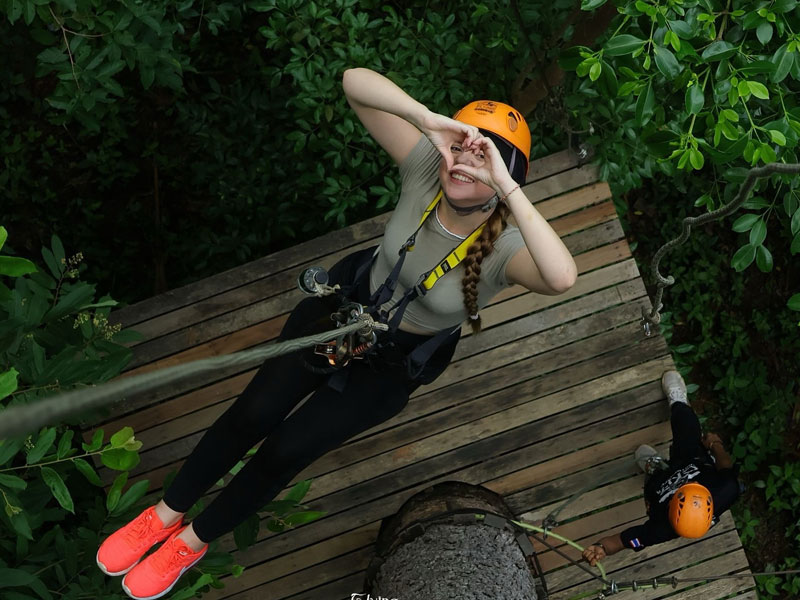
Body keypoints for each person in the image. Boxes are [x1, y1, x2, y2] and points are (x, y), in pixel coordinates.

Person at [96, 67, 577, 600]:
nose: (466, 160)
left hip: (394, 361)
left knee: (286, 451)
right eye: (463, 146)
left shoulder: (505, 248)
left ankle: (191, 540)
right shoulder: (425, 168)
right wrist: (429, 124)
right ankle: (165, 512)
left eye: (484, 156)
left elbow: (561, 276)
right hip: (343, 312)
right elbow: (353, 82)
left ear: (507, 176)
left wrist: (505, 188)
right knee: (253, 414)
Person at [582, 370, 742, 566]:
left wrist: (601, 548)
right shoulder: (727, 490)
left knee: (652, 488)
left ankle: (655, 467)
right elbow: (725, 467)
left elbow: (623, 541)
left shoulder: (661, 530)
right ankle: (678, 401)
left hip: (660, 485)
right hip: (692, 460)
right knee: (687, 428)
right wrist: (715, 445)